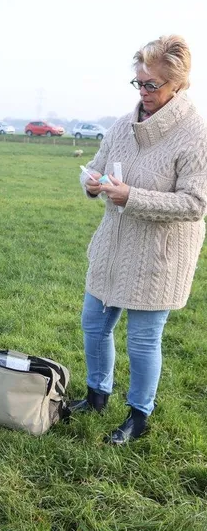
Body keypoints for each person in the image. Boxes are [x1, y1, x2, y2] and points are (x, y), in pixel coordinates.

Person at [69, 35, 207, 444]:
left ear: (178, 84)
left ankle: (138, 415)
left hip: (159, 256)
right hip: (113, 247)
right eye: (139, 82)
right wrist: (91, 184)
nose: (144, 92)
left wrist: (132, 197)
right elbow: (93, 167)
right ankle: (96, 394)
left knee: (144, 339)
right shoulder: (122, 126)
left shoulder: (195, 133)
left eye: (153, 85)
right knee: (94, 324)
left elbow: (196, 202)